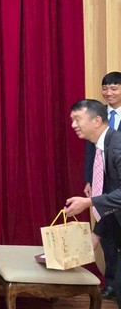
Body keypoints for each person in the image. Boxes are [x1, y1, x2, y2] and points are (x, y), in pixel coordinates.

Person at [65, 99, 121, 309]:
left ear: (97, 120)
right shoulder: (103, 147)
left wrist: (88, 202)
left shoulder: (117, 146)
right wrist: (97, 233)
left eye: (77, 119)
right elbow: (111, 196)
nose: (73, 125)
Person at [83, 72, 121, 299]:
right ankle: (111, 284)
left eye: (114, 88)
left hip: (118, 181)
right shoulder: (99, 116)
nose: (109, 93)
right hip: (102, 182)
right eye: (105, 88)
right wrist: (89, 179)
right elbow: (91, 151)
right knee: (106, 232)